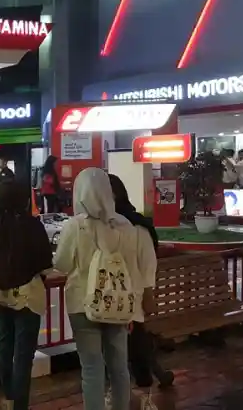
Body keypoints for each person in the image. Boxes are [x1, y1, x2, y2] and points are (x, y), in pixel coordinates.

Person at [54, 168, 155, 410]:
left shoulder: (75, 226)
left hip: (82, 304)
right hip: (117, 302)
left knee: (92, 368)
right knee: (119, 366)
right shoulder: (126, 225)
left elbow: (62, 264)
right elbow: (131, 267)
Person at [0, 181, 53, 410]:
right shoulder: (33, 226)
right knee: (23, 356)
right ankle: (19, 405)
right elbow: (46, 266)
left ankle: (10, 398)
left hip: (0, 296)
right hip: (27, 298)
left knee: (5, 348)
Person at [108, 175, 173, 389]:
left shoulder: (137, 226)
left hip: (131, 298)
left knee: (136, 348)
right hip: (107, 298)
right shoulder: (99, 225)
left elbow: (147, 262)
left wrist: (147, 293)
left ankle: (144, 390)